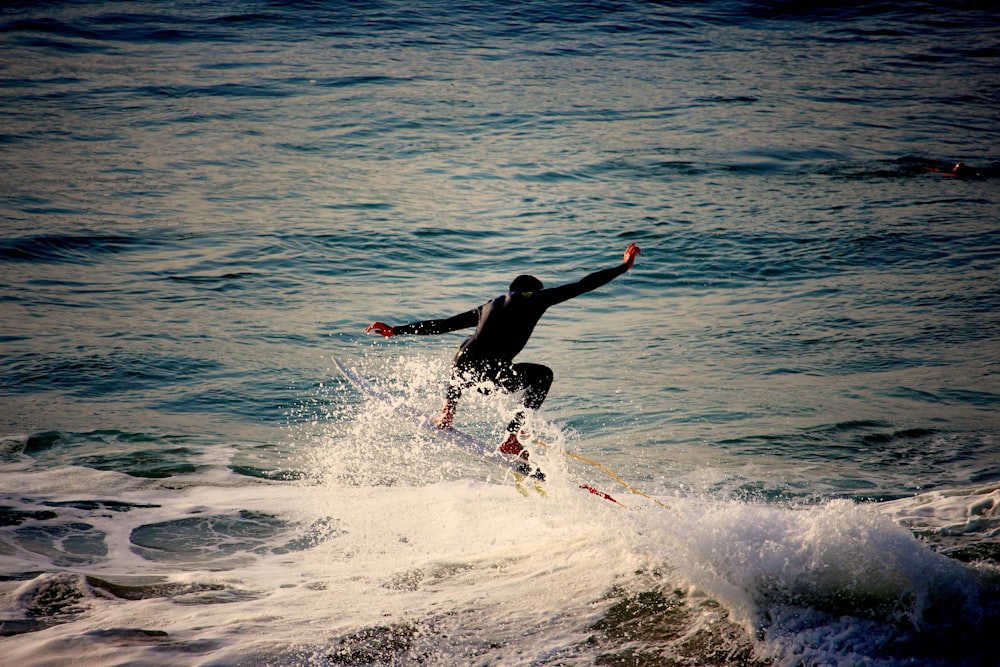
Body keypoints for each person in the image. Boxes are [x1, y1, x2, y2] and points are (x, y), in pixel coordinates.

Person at [366, 241, 641, 470]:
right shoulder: (536, 297)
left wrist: (396, 330)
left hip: (466, 373)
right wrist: (623, 266)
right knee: (542, 375)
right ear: (534, 289)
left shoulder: (487, 305)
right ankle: (512, 438)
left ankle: (448, 412)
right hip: (494, 375)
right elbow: (584, 284)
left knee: (466, 346)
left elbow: (442, 324)